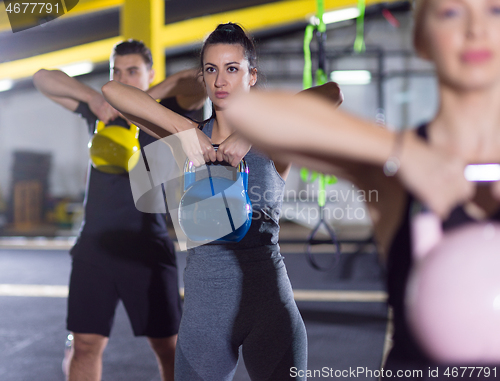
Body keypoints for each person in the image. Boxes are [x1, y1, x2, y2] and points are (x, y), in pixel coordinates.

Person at [224, 0, 500, 378]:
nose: (476, 28)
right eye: (451, 12)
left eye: (495, 10)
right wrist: (404, 153)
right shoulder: (395, 168)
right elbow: (248, 113)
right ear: (420, 39)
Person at [101, 23, 316, 380]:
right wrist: (184, 129)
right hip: (204, 317)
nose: (220, 80)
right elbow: (112, 90)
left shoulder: (272, 139)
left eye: (233, 69)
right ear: (202, 77)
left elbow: (330, 94)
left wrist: (249, 134)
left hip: (269, 308)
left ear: (251, 76)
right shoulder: (184, 140)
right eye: (211, 69)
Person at [33, 40, 206, 381]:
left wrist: (146, 95)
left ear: (150, 73)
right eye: (116, 71)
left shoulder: (169, 109)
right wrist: (95, 97)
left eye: (132, 71)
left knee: (169, 347)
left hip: (146, 246)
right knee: (84, 345)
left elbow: (199, 79)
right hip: (94, 245)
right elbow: (42, 77)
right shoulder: (100, 112)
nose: (122, 77)